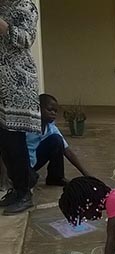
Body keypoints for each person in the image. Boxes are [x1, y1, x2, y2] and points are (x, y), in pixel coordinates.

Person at [0, 0, 41, 215]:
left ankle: (25, 192)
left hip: (17, 85)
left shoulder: (26, 7)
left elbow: (26, 40)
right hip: (1, 88)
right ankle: (18, 187)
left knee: (14, 141)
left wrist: (2, 25)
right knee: (4, 142)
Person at [26, 94, 90, 186]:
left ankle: (55, 177)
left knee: (56, 140)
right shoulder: (26, 127)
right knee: (28, 181)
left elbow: (67, 151)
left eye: (55, 111)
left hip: (33, 162)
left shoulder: (51, 128)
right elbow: (7, 148)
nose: (53, 113)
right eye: (49, 110)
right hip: (19, 163)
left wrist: (87, 174)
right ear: (38, 109)